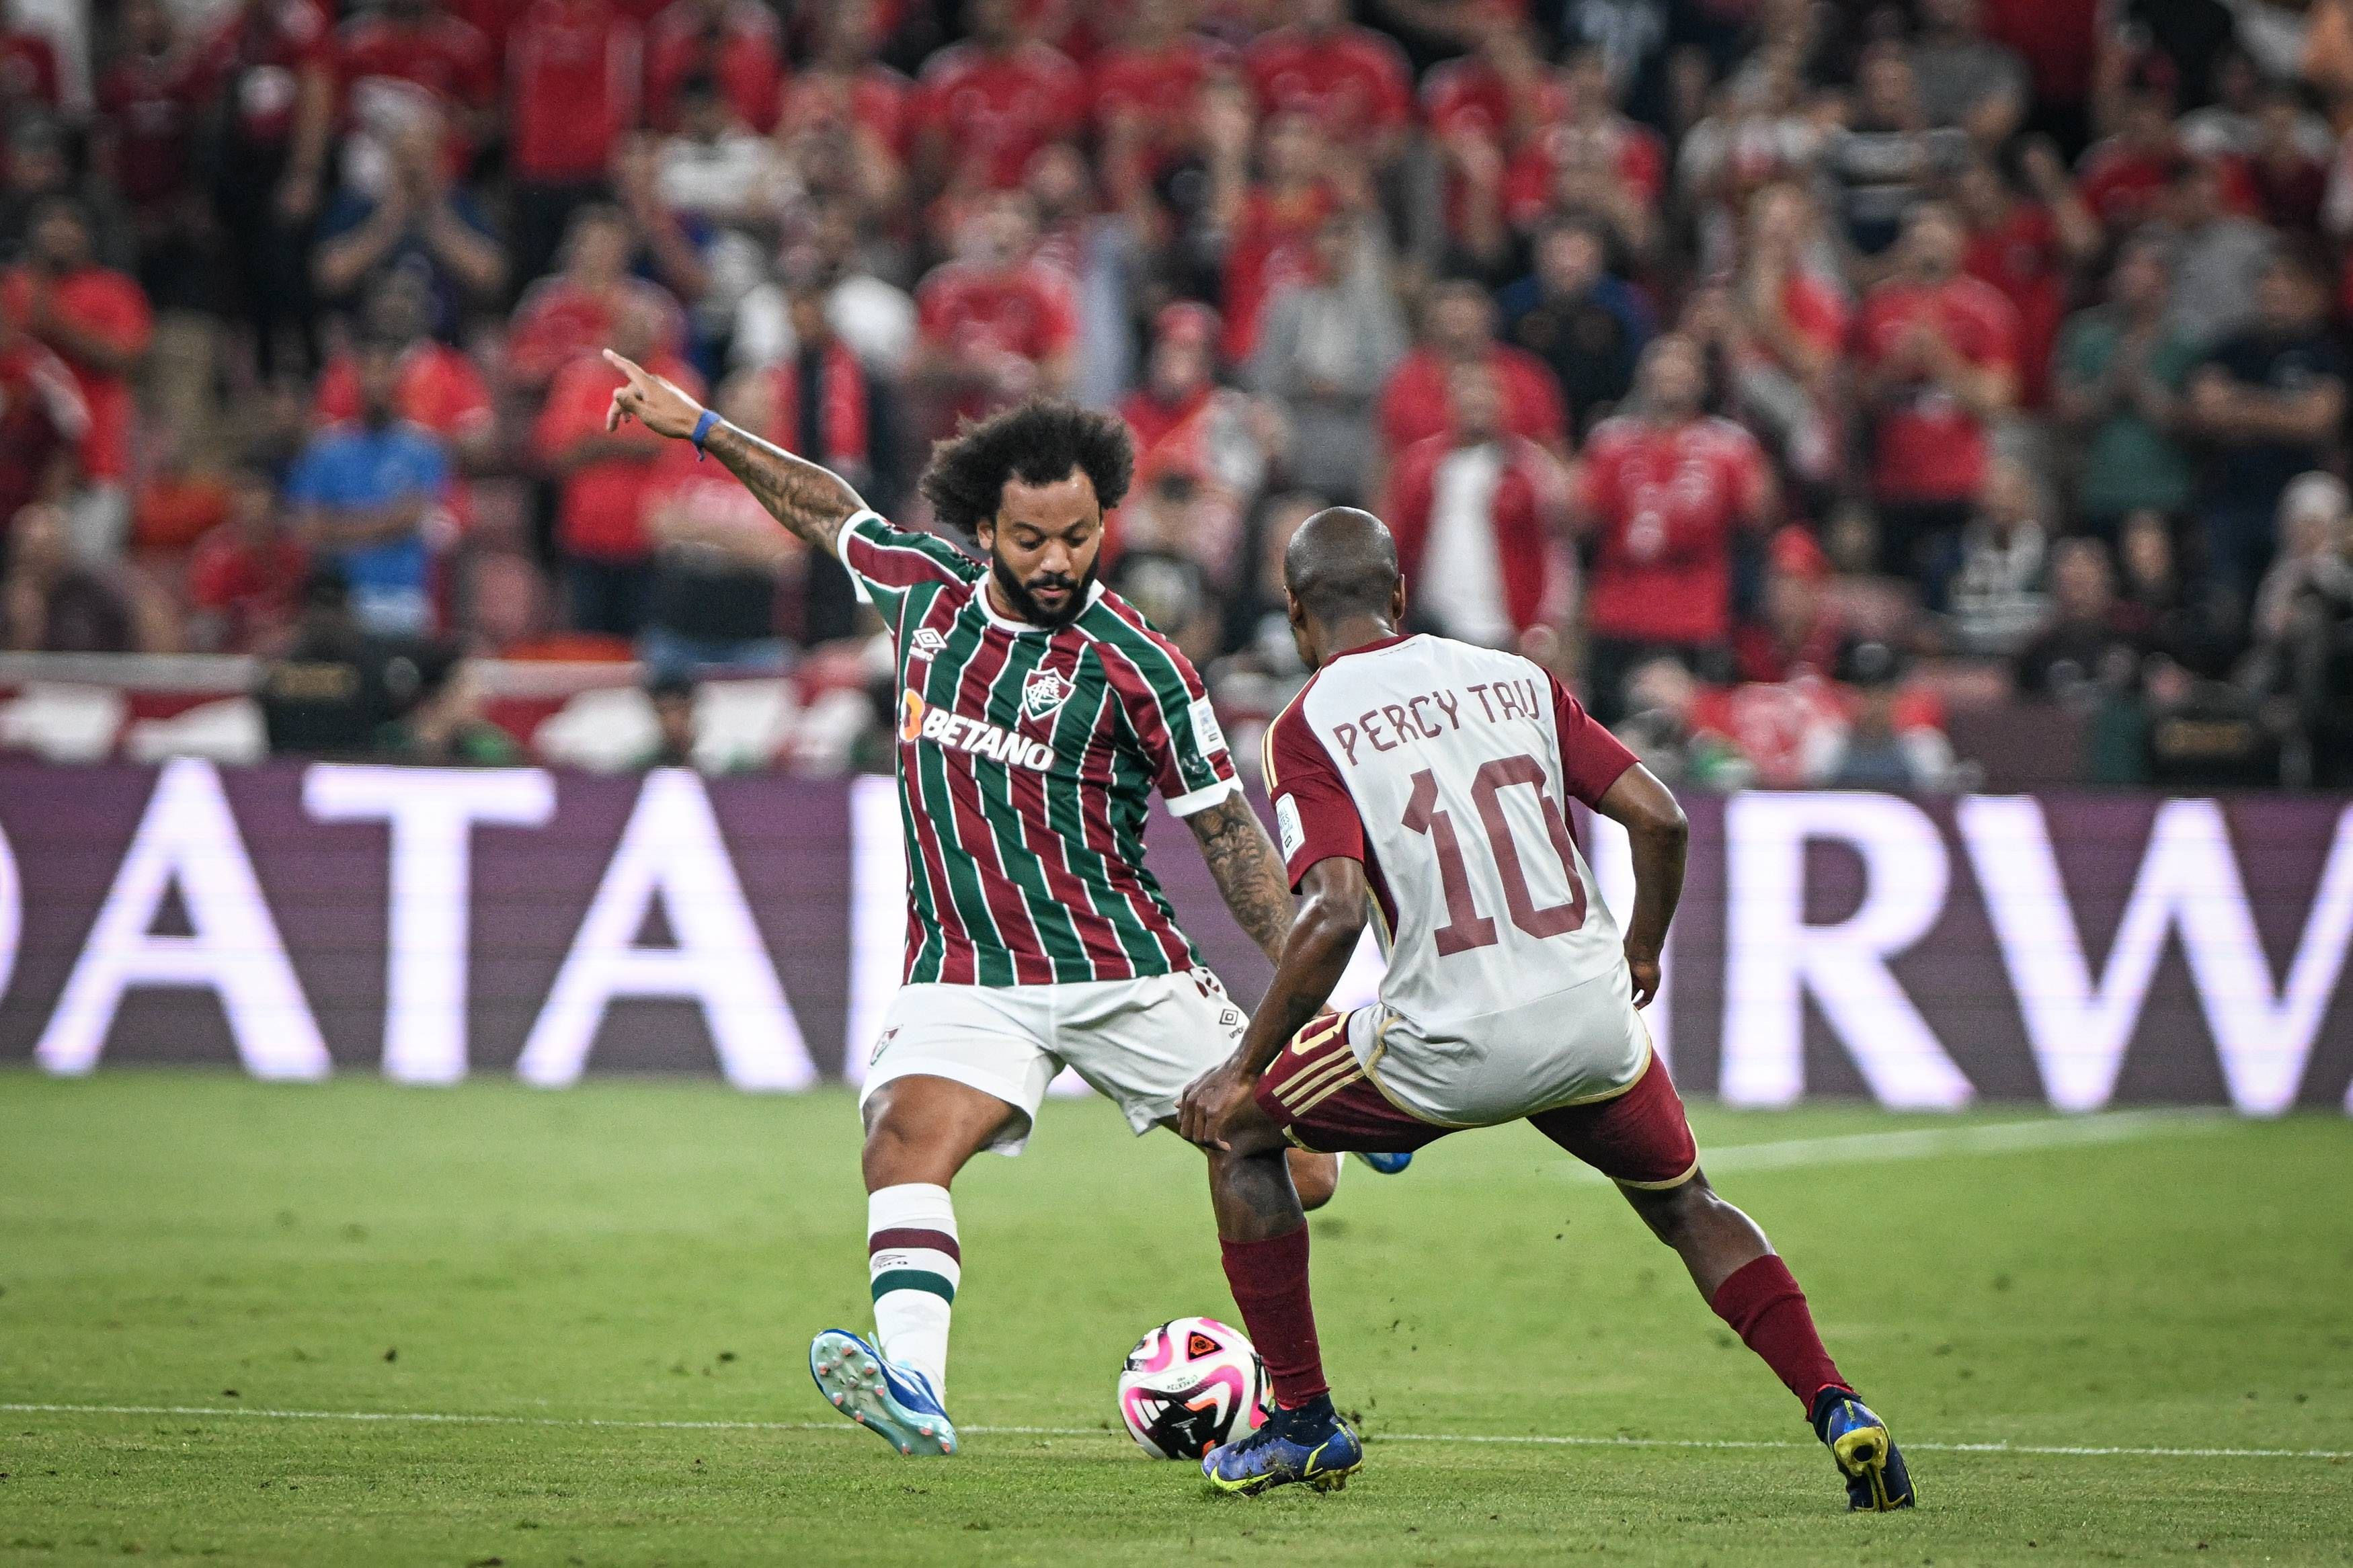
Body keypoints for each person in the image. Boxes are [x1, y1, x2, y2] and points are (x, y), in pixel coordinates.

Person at [598, 351, 1378, 1462]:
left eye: (1077, 536)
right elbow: (829, 509)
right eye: (1029, 540)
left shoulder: (1143, 666)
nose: (1057, 561)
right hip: (967, 971)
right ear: (984, 529)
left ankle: (1347, 1126)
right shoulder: (920, 590)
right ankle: (912, 1377)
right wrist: (705, 427)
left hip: (1124, 968)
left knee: (1302, 1165)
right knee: (902, 1138)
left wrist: (1307, 1010)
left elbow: (1230, 838)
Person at [1172, 505, 1913, 1509]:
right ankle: (1839, 1405)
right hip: (1590, 1018)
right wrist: (1641, 945)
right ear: (1398, 596)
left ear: (1298, 616)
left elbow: (1336, 912)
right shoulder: (1514, 676)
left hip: (1448, 1037)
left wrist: (1240, 1069)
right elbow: (1661, 815)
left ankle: (1301, 1421)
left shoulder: (1308, 725)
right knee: (1688, 1204)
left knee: (1244, 1139)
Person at [1574, 334, 1773, 722]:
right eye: (1662, 363)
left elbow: (1760, 518)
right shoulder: (1610, 442)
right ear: (1644, 376)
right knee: (1613, 736)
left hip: (1697, 616)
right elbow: (1579, 520)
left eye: (1682, 365)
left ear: (1701, 379)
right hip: (1619, 613)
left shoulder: (1729, 446)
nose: (1671, 373)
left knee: (1696, 732)